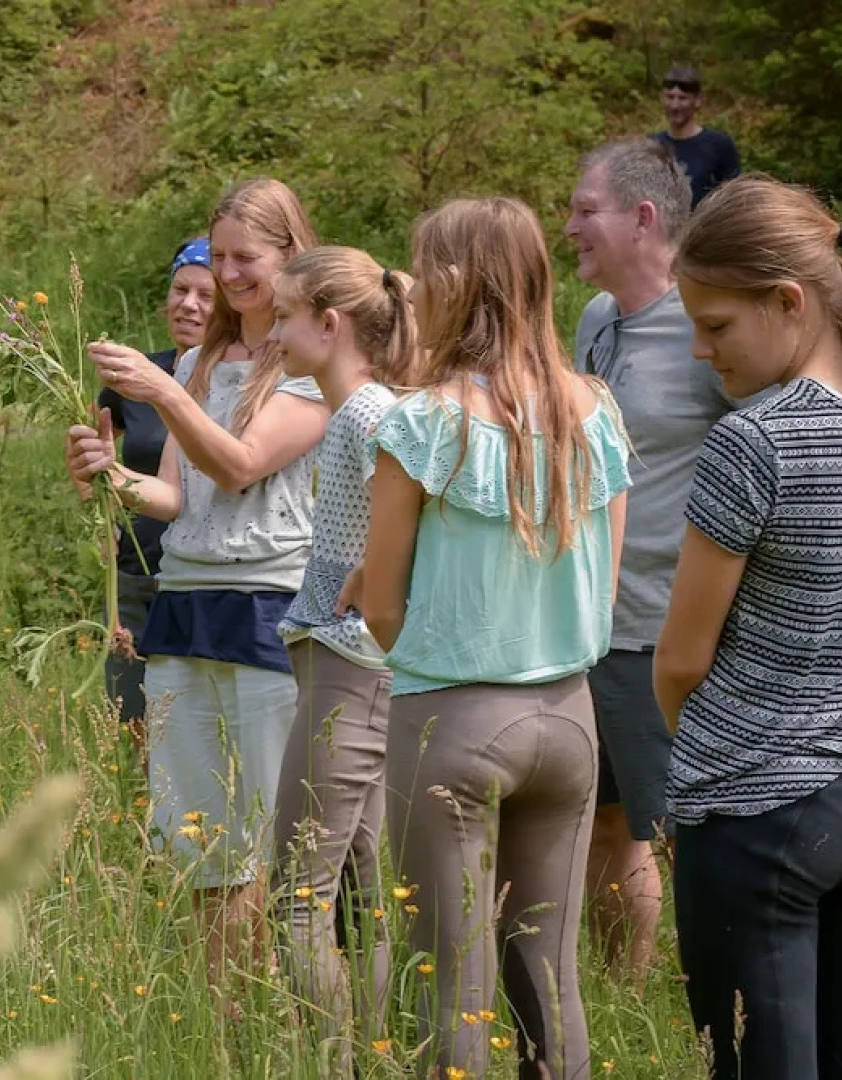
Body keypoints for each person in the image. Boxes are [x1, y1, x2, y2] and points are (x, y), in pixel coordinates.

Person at [352, 196, 632, 1079]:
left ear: (446, 284)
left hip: (454, 716)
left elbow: (380, 604)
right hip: (570, 718)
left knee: (450, 980)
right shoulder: (596, 411)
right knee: (551, 984)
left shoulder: (422, 422)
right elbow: (607, 580)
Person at [66, 177, 330, 996]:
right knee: (200, 839)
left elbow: (242, 464)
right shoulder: (199, 359)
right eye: (216, 256)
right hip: (182, 606)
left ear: (290, 256)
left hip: (266, 607)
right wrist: (108, 475)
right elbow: (178, 497)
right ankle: (227, 1019)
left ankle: (296, 1021)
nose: (228, 274)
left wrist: (164, 393)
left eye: (244, 257)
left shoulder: (313, 358)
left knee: (272, 838)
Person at [657, 177, 842, 1080]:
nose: (701, 351)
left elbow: (679, 661)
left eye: (715, 325)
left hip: (752, 808)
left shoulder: (757, 440)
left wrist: (699, 765)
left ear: (788, 301)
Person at [565, 137, 722, 976]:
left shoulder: (706, 325)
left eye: (584, 210)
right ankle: (619, 992)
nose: (569, 228)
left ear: (644, 216)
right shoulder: (594, 321)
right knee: (596, 817)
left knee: (659, 828)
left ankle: (691, 999)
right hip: (579, 620)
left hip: (655, 629)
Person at [266, 247, 419, 1058]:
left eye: (284, 316)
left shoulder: (367, 415)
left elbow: (417, 525)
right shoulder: (357, 413)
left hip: (351, 665)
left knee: (296, 892)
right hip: (347, 661)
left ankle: (336, 1061)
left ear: (328, 324)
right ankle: (369, 1055)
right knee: (362, 887)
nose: (273, 333)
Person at [98, 237, 215, 754]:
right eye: (180, 289)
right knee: (133, 715)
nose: (189, 304)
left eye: (206, 296)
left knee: (199, 727)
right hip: (138, 571)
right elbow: (95, 462)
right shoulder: (133, 378)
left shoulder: (245, 383)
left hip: (207, 575)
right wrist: (99, 518)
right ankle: (148, 819)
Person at [655, 65, 740, 207]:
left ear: (698, 101)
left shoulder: (718, 145)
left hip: (704, 227)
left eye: (683, 98)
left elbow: (733, 199)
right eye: (670, 97)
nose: (675, 106)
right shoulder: (652, 146)